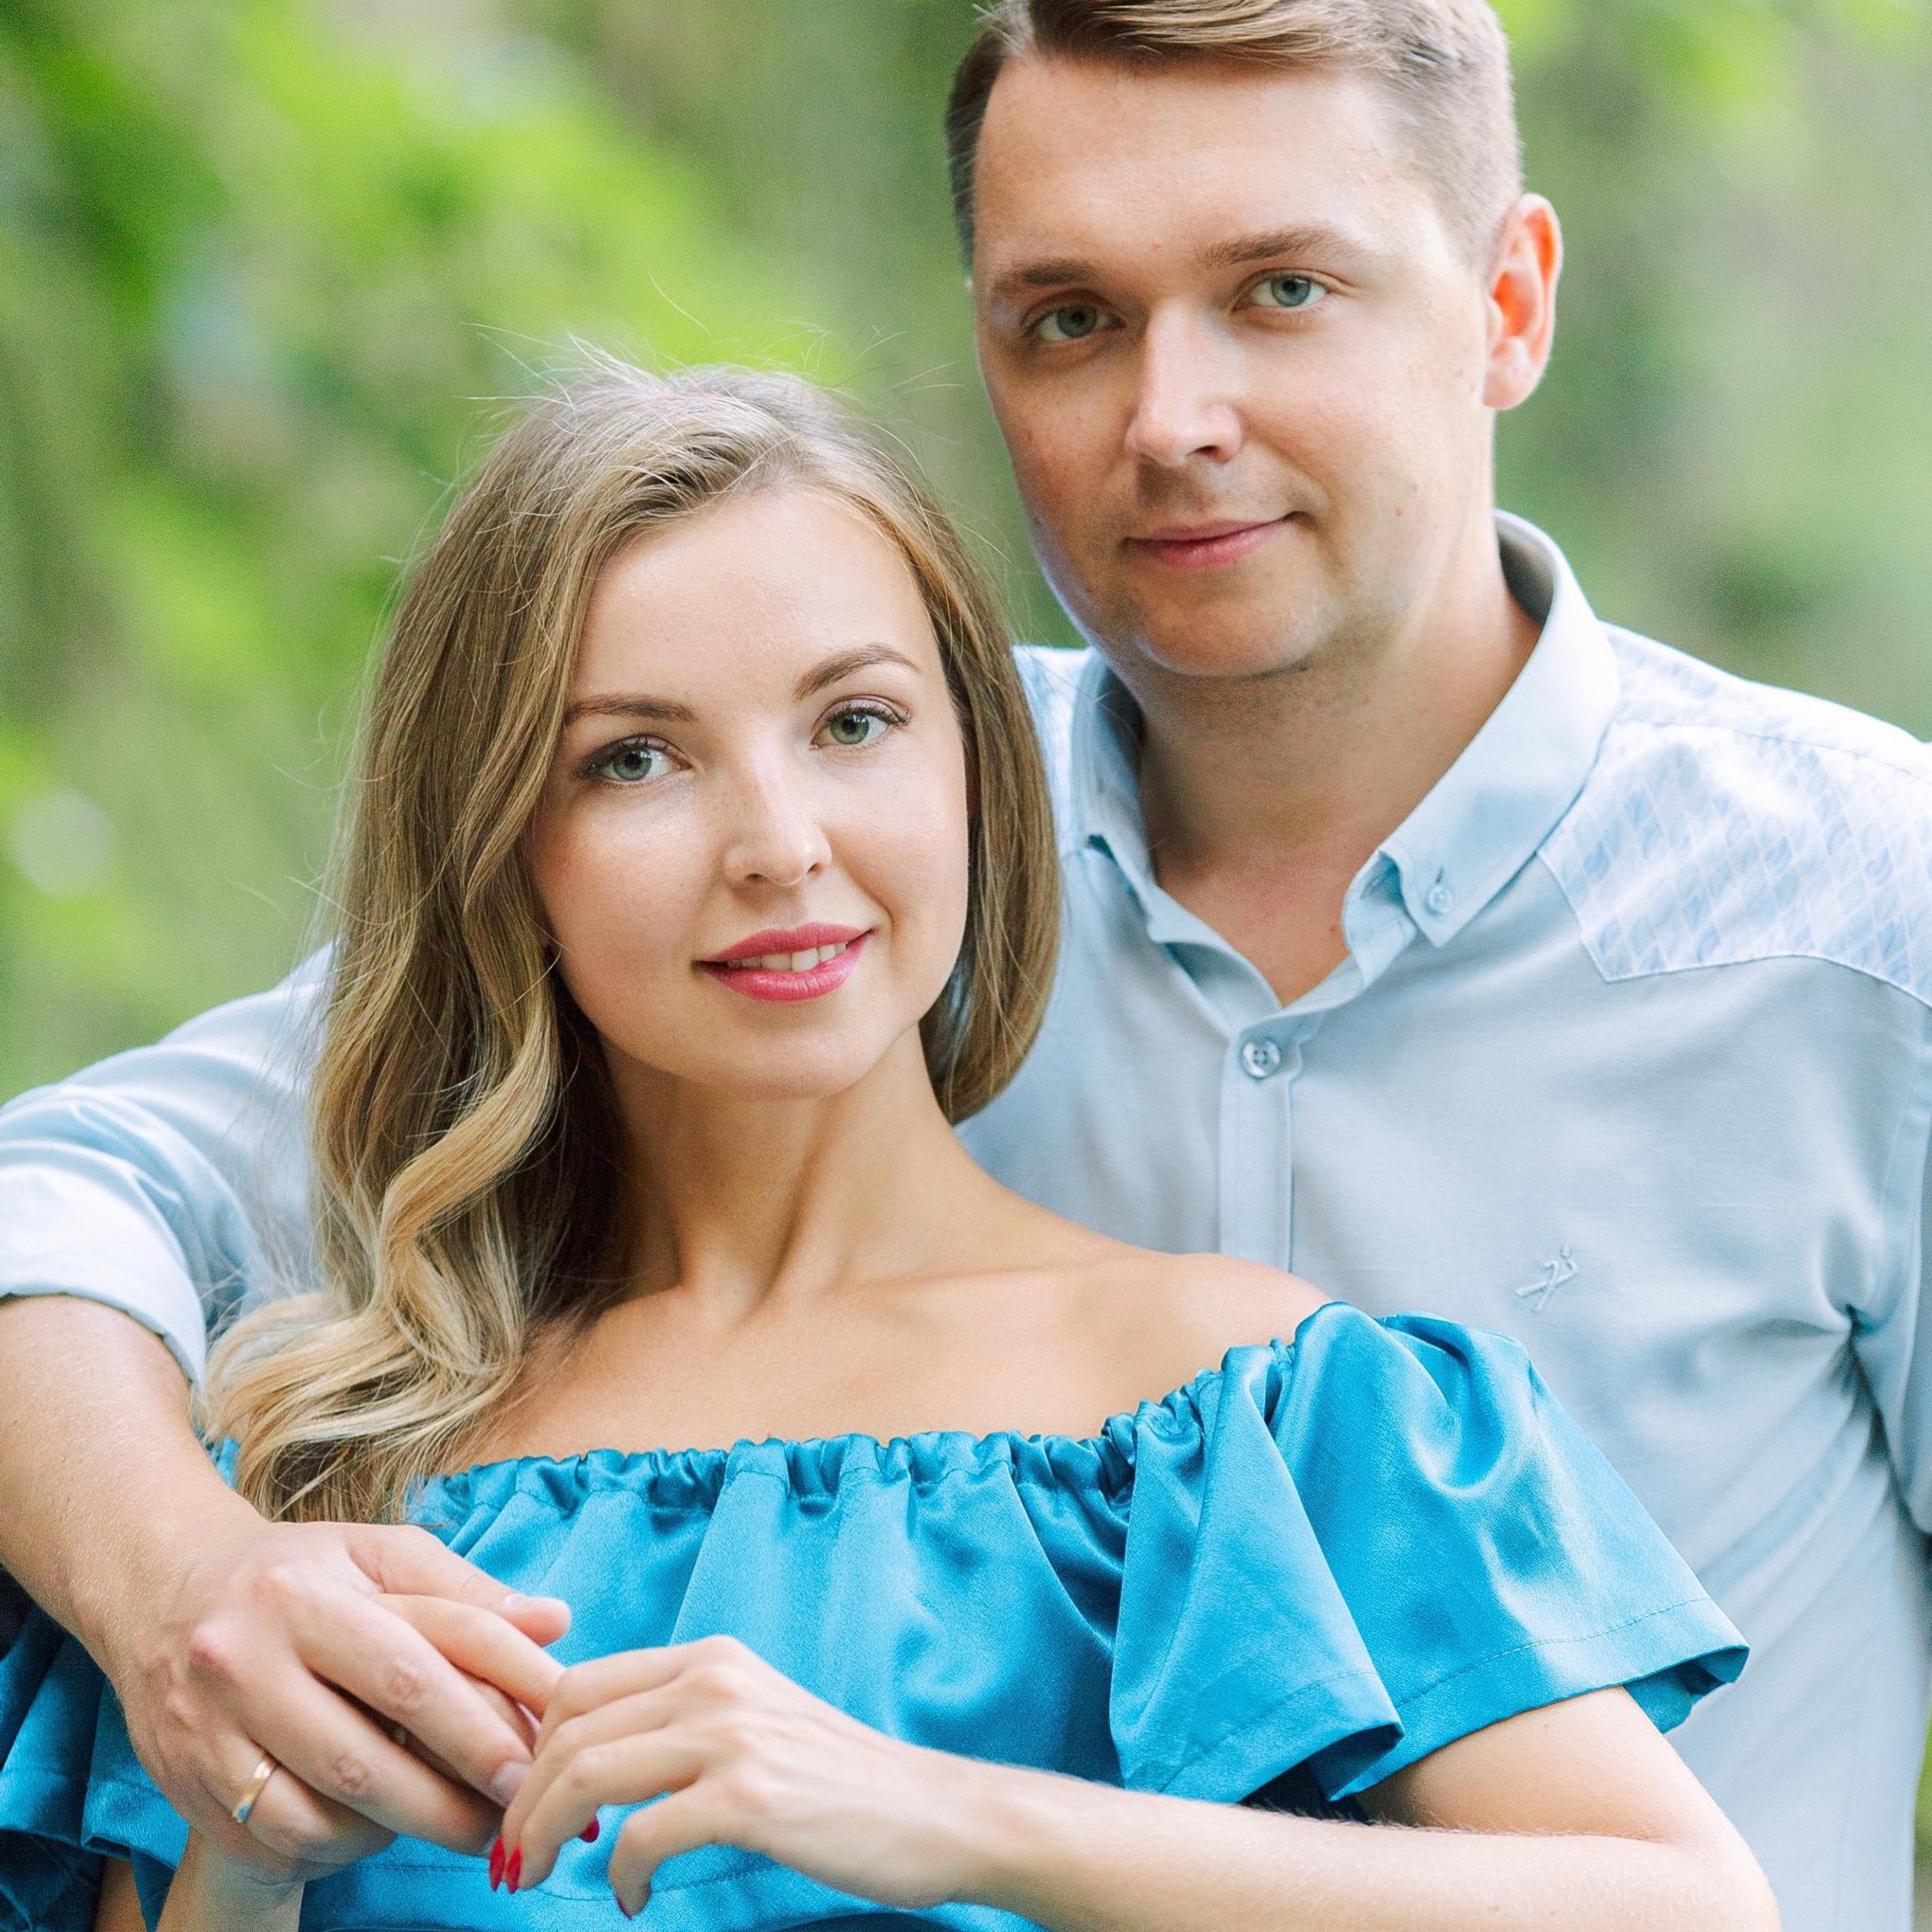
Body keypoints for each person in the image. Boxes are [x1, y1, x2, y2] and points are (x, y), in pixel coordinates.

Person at [0, 0, 1926, 1925]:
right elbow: (70, 1195)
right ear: (507, 849)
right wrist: (179, 1585)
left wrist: (933, 1803)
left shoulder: (1847, 926)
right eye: (1069, 317)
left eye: (1280, 289)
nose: (1172, 419)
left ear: (1506, 301)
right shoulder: (322, 1470)